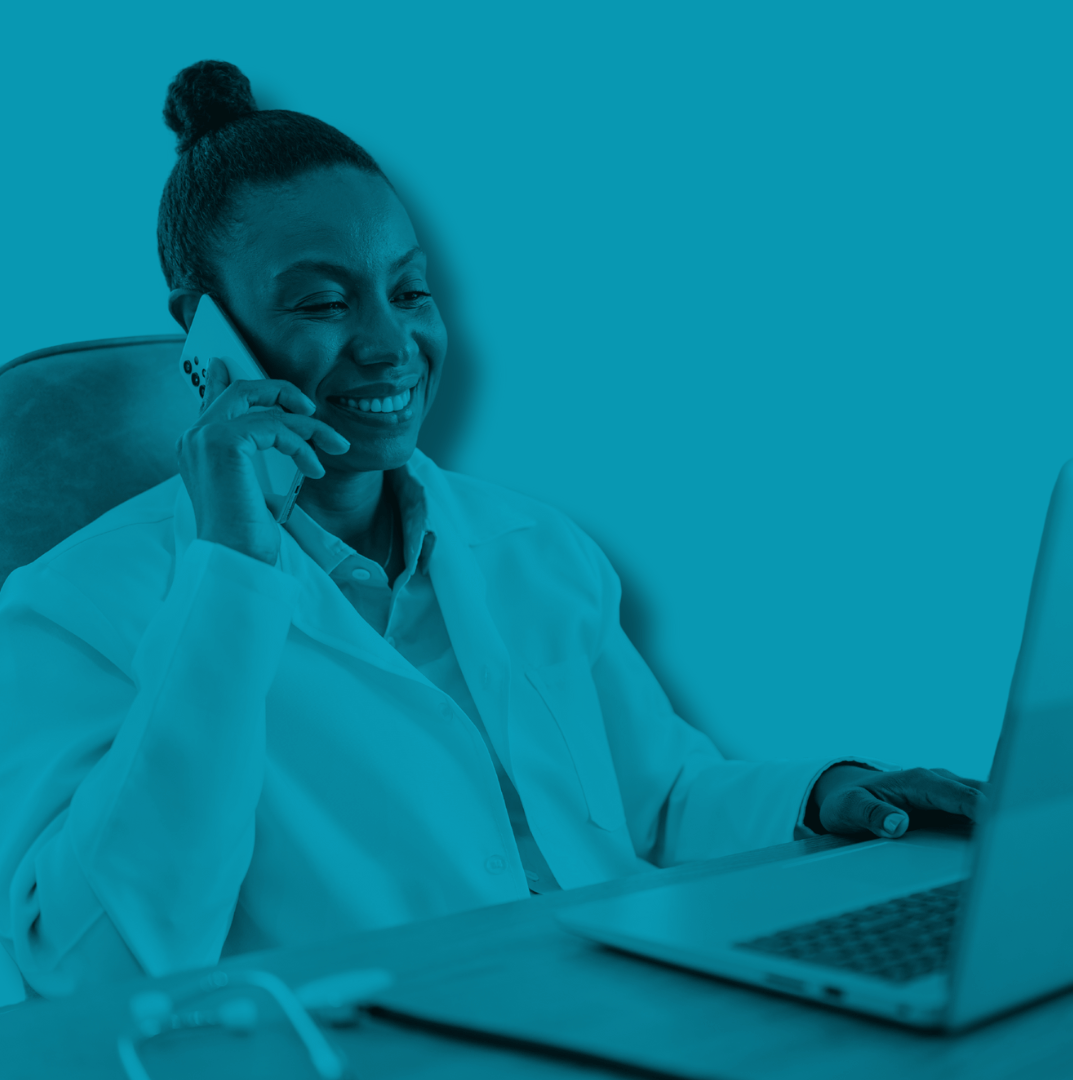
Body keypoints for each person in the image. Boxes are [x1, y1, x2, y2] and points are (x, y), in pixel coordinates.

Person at [0, 60, 987, 1005]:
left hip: (640, 1003)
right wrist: (231, 575)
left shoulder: (531, 546)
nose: (390, 344)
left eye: (409, 290)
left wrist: (827, 793)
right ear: (203, 331)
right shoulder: (74, 607)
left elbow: (660, 803)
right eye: (323, 302)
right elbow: (93, 976)